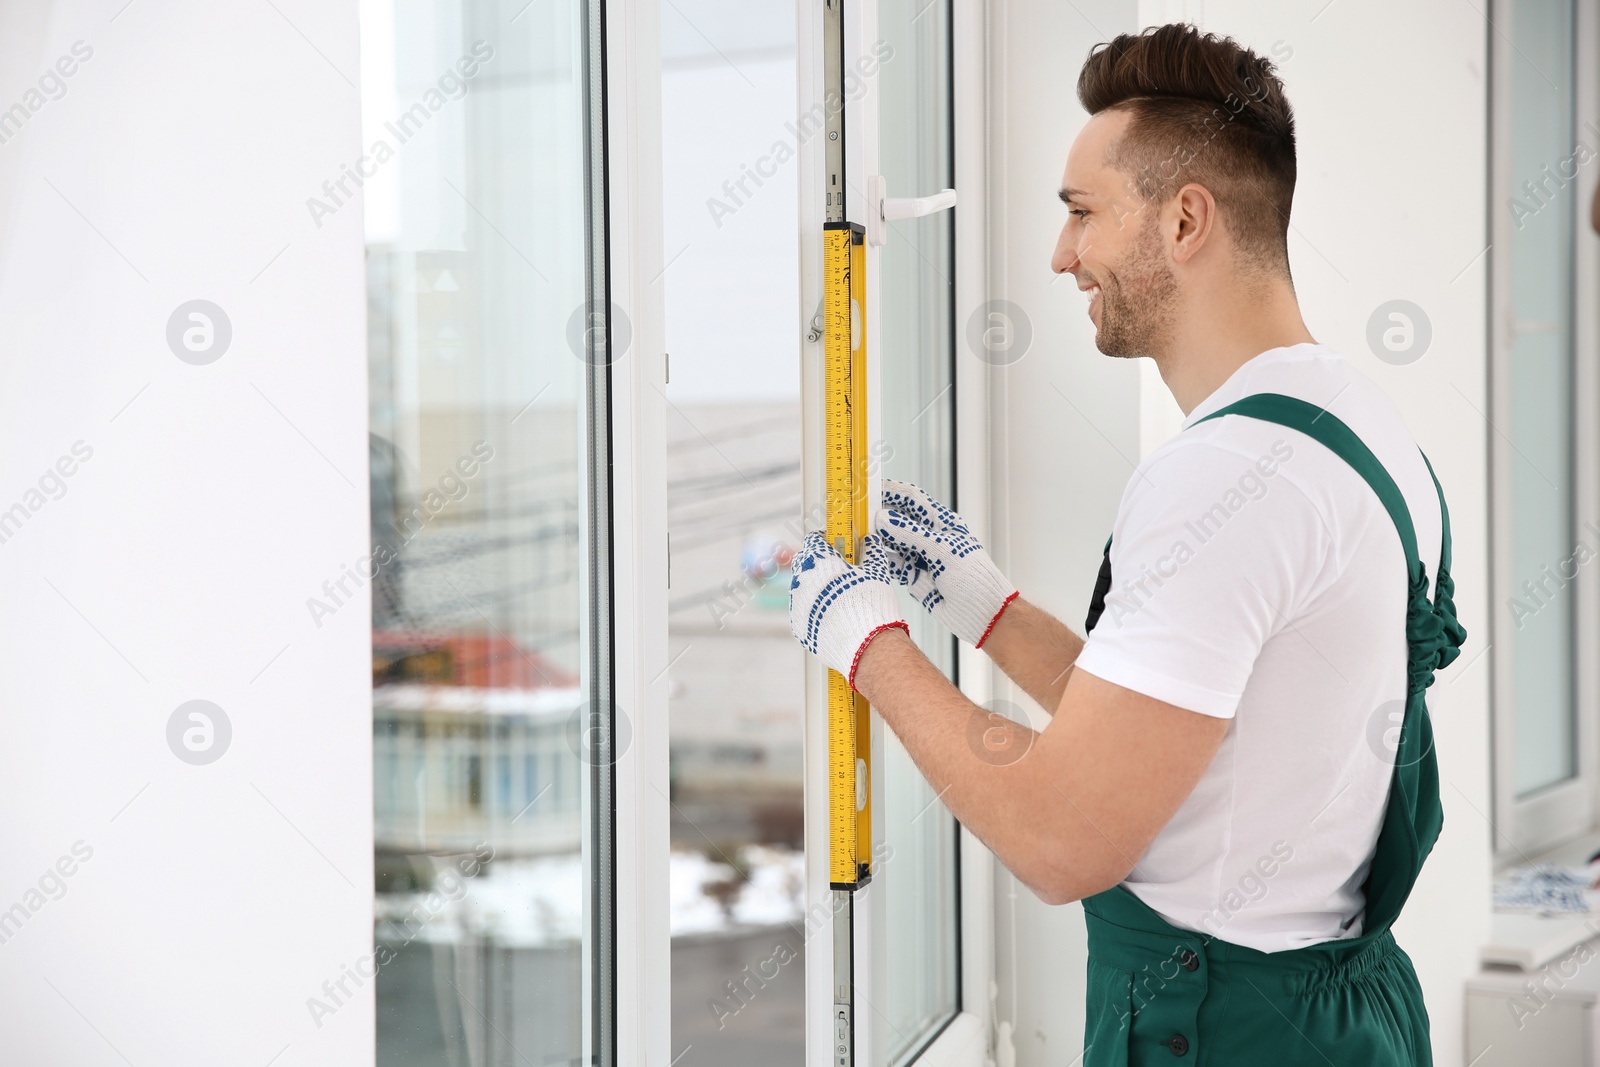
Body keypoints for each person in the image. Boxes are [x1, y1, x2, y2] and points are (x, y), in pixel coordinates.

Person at [787, 22, 1466, 1067]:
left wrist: (870, 645)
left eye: (1080, 213)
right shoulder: (1358, 430)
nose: (1061, 255)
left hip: (1226, 1029)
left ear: (1185, 219)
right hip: (1342, 1012)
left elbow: (1063, 836)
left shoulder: (1226, 480)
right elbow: (1177, 741)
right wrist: (987, 609)